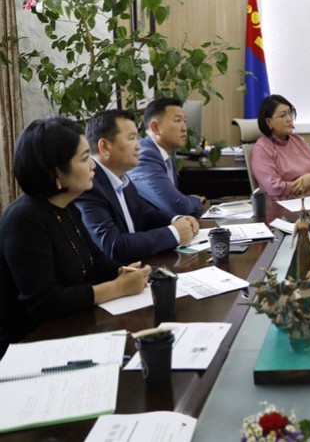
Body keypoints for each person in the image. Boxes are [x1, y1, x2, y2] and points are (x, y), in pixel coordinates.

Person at [0, 118, 150, 357]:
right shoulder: (24, 220)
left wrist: (123, 271)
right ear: (56, 172)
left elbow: (95, 259)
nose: (93, 166)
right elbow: (46, 304)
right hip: (30, 347)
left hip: (71, 327)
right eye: (84, 158)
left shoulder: (67, 206)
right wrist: (117, 288)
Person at [74, 109, 200, 262]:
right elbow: (113, 246)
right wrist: (174, 233)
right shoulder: (89, 187)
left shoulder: (121, 177)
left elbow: (144, 214)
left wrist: (177, 220)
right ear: (105, 147)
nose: (138, 146)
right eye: (131, 138)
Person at [128, 97, 207, 218]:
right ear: (155, 127)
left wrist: (187, 200)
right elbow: (177, 206)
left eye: (184, 121)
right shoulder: (145, 156)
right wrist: (196, 201)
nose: (184, 128)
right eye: (177, 121)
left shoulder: (166, 154)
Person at [250, 94, 310, 200]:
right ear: (269, 122)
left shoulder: (299, 141)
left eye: (290, 113)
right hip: (284, 206)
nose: (289, 119)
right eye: (283, 115)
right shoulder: (262, 148)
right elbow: (273, 187)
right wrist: (308, 186)